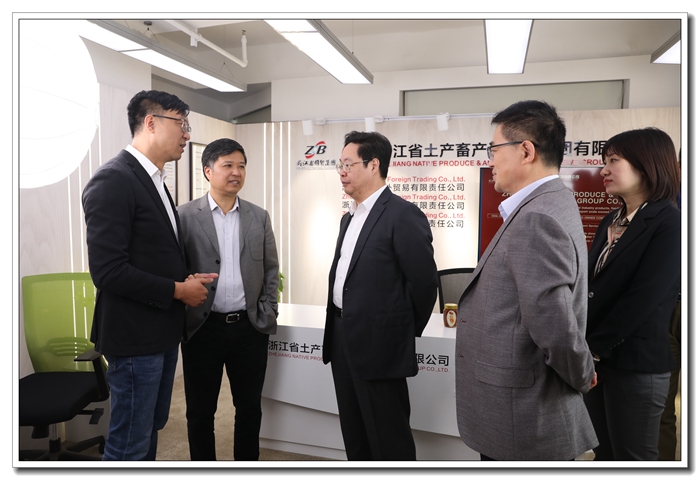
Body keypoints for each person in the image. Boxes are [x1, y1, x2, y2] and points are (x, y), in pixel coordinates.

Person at [455, 100, 598, 461]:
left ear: (526, 151)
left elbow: (554, 325)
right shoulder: (552, 202)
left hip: (521, 415)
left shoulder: (537, 217)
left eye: (494, 149)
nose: (490, 160)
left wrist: (582, 374)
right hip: (520, 407)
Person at [82, 90, 216, 460]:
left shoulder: (154, 179)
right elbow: (108, 271)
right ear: (151, 123)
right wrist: (178, 290)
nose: (187, 134)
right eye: (181, 124)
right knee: (129, 444)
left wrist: (186, 278)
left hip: (159, 332)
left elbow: (152, 254)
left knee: (148, 431)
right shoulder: (113, 180)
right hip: (134, 337)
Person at [322, 130, 438, 460]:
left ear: (373, 165)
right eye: (340, 165)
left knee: (389, 441)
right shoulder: (349, 218)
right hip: (342, 338)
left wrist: (397, 333)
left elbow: (424, 285)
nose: (342, 172)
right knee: (355, 435)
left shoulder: (402, 215)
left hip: (380, 346)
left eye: (348, 164)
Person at [177, 138, 279, 461]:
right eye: (228, 165)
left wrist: (267, 310)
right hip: (203, 328)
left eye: (241, 166)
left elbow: (271, 269)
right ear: (208, 171)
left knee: (249, 408)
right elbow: (175, 269)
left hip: (249, 328)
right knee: (200, 411)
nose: (236, 172)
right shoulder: (184, 216)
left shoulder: (258, 217)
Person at [585, 127, 681, 461]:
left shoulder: (670, 223)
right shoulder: (611, 221)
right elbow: (594, 288)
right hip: (599, 362)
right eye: (604, 161)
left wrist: (592, 349)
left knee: (633, 459)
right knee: (604, 453)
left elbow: (642, 298)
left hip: (636, 364)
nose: (604, 170)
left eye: (614, 160)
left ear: (646, 164)